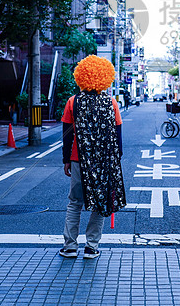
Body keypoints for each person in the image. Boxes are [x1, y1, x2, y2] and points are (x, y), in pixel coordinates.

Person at [60, 55, 126, 260]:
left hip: (78, 160)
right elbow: (118, 137)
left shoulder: (73, 102)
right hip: (104, 161)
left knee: (74, 202)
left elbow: (67, 135)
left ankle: (70, 246)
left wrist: (66, 160)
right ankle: (91, 246)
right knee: (101, 202)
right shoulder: (111, 102)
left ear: (81, 76)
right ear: (105, 77)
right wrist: (115, 161)